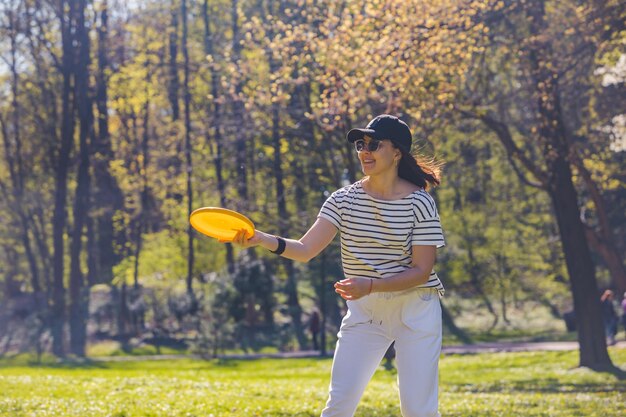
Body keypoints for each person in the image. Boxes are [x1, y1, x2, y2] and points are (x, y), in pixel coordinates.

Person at [230, 114, 445, 417]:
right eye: (360, 144)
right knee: (339, 407)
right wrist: (261, 238)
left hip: (416, 310)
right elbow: (305, 250)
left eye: (373, 144)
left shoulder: (419, 202)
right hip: (365, 311)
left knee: (418, 411)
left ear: (396, 152)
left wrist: (370, 284)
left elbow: (421, 270)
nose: (364, 152)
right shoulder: (342, 200)